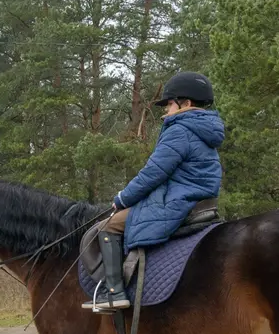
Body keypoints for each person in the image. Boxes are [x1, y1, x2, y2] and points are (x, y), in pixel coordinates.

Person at [83, 71, 224, 312]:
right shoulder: (204, 129)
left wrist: (123, 198)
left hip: (178, 200)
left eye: (169, 104)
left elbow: (154, 173)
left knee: (109, 226)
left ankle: (113, 292)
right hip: (201, 200)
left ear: (185, 103)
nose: (165, 110)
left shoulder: (180, 130)